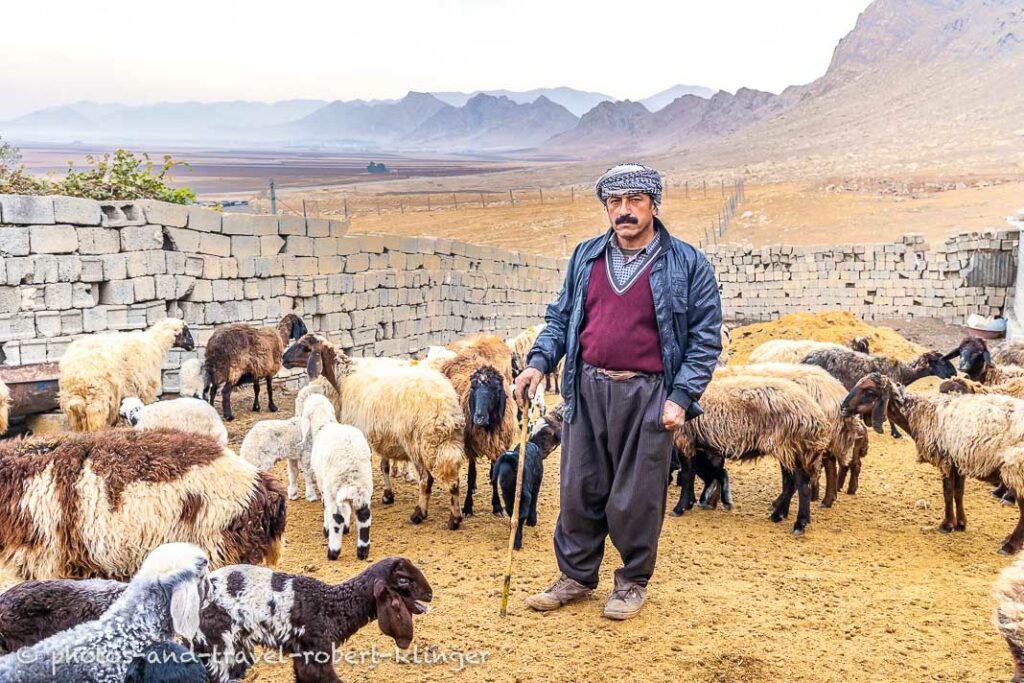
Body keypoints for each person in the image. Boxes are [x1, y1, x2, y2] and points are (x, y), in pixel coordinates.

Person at [513, 162, 722, 620]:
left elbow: (705, 338)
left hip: (648, 393)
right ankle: (576, 576)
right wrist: (537, 363)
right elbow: (560, 318)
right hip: (587, 388)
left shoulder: (687, 263)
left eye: (634, 202)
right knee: (579, 487)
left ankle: (631, 582)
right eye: (614, 202)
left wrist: (681, 396)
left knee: (636, 495)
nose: (623, 211)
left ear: (653, 204)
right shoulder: (587, 257)